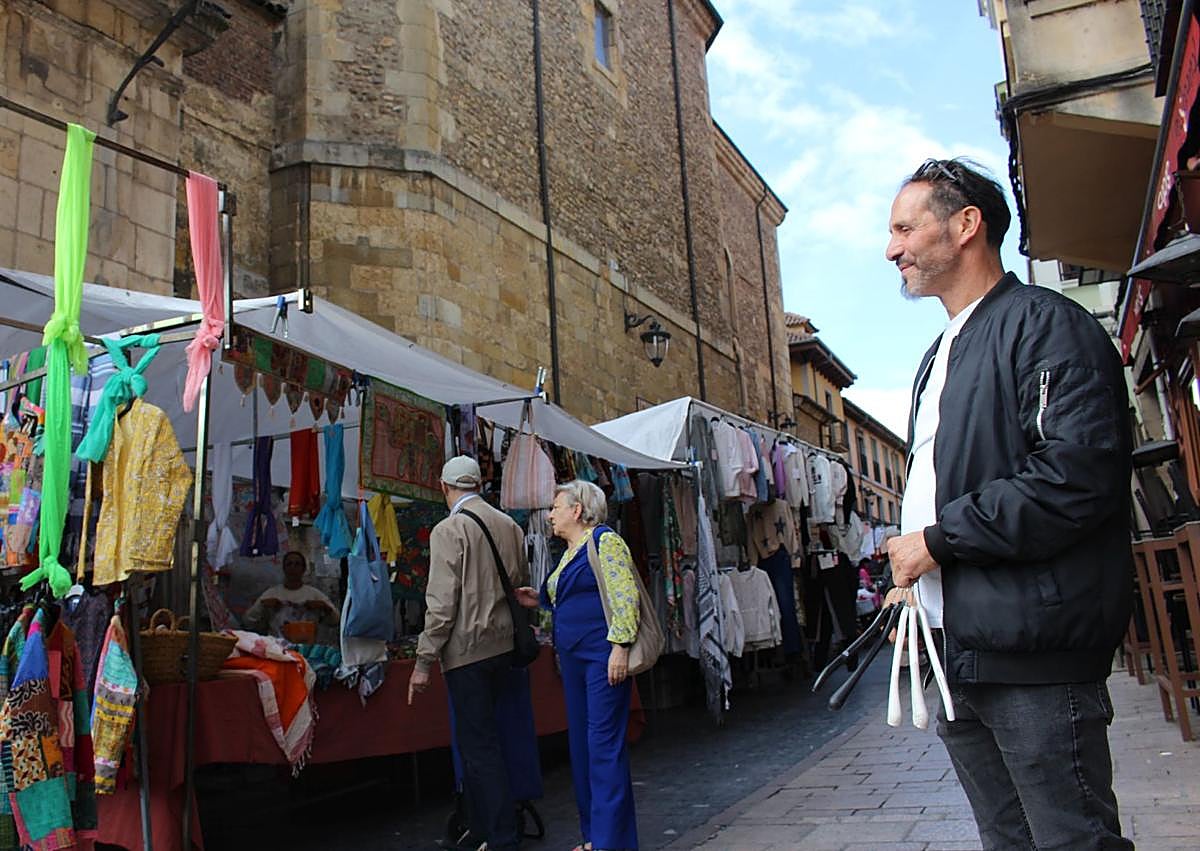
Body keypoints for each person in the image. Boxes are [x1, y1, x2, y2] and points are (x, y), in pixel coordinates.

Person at [883, 157, 1134, 850]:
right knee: (1007, 840)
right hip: (953, 650)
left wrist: (938, 540)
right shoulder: (937, 355)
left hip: (1033, 650)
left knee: (1071, 839)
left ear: (966, 225)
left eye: (905, 227)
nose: (891, 247)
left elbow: (1074, 478)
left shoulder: (1048, 327)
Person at [408, 456, 528, 851]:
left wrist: (424, 661)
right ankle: (480, 827)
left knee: (478, 748)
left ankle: (501, 836)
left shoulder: (449, 529)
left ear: (445, 488)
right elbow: (519, 583)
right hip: (505, 646)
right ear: (478, 484)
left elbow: (441, 603)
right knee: (492, 740)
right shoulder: (509, 525)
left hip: (468, 652)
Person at [514, 480, 640, 851]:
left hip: (602, 657)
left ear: (577, 510)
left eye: (556, 506)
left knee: (603, 746)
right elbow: (572, 596)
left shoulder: (605, 540)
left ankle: (607, 843)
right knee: (583, 747)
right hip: (573, 659)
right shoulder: (569, 552)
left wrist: (620, 646)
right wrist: (539, 600)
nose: (550, 514)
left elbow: (625, 595)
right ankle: (593, 837)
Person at [243, 550, 339, 639]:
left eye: (297, 564)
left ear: (304, 569)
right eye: (289, 564)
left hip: (307, 649)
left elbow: (336, 621)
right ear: (284, 568)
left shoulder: (314, 594)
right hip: (277, 649)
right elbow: (248, 621)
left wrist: (325, 607)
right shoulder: (272, 594)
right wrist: (262, 606)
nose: (293, 568)